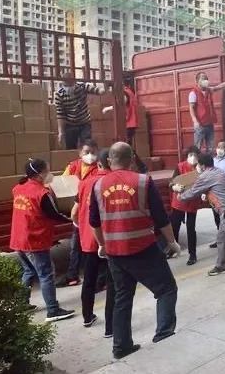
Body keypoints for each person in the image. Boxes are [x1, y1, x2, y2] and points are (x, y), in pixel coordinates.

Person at [89, 142, 181, 359]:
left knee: (122, 297)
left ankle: (121, 347)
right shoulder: (143, 181)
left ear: (109, 161)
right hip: (143, 248)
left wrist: (102, 245)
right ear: (131, 160)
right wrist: (172, 242)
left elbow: (94, 222)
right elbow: (161, 217)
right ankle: (164, 336)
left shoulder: (98, 185)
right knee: (166, 289)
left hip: (115, 252)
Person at [10, 158, 75, 322]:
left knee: (29, 271)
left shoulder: (18, 188)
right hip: (35, 240)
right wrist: (72, 219)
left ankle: (20, 304)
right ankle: (53, 310)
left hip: (19, 238)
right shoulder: (42, 194)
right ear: (39, 174)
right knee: (46, 274)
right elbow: (54, 214)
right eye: (47, 170)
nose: (50, 174)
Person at [176, 153, 225, 281]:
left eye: (198, 165)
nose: (197, 167)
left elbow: (193, 192)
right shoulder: (218, 171)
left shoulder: (206, 176)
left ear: (202, 165)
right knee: (221, 239)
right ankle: (221, 265)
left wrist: (180, 196)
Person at [71, 149, 115, 335]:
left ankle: (87, 317)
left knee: (88, 280)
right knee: (112, 282)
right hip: (109, 240)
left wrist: (79, 224)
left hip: (89, 240)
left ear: (98, 164)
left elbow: (74, 212)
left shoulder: (84, 183)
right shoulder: (112, 182)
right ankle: (110, 327)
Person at [62, 139, 100, 287]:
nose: (90, 155)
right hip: (78, 212)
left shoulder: (99, 168)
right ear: (80, 153)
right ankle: (72, 275)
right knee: (76, 245)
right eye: (86, 152)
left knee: (94, 245)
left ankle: (98, 278)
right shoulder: (73, 166)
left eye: (93, 152)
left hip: (91, 211)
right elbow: (63, 184)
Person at [168, 146, 203, 265]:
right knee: (175, 226)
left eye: (195, 155)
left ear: (198, 157)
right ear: (187, 156)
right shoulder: (180, 166)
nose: (192, 157)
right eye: (190, 155)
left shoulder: (200, 168)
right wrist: (174, 187)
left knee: (190, 228)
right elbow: (171, 182)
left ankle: (192, 254)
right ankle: (173, 249)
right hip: (178, 201)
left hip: (192, 201)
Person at [189, 72, 225, 153]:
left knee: (210, 148)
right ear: (197, 81)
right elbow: (191, 108)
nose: (206, 80)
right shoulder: (193, 93)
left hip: (209, 124)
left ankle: (209, 161)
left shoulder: (209, 90)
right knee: (197, 148)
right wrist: (195, 121)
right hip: (200, 125)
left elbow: (219, 86)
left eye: (206, 78)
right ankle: (195, 161)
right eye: (203, 79)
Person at [55, 72, 105, 149]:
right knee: (71, 148)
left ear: (74, 81)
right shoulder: (59, 94)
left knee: (86, 145)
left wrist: (103, 89)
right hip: (70, 124)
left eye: (71, 84)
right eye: (66, 84)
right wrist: (61, 132)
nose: (69, 87)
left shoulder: (82, 86)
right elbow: (60, 114)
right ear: (63, 83)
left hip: (84, 123)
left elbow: (97, 90)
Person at [102, 73, 139, 146]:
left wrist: (108, 108)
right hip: (131, 122)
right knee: (127, 143)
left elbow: (122, 103)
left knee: (124, 144)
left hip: (128, 123)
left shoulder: (124, 92)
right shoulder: (129, 91)